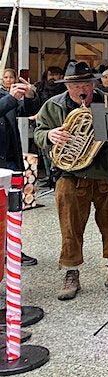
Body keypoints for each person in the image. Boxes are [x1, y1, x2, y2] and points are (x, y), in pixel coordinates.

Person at [34, 61, 108, 300]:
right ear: (67, 86)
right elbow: (39, 132)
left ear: (94, 84)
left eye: (87, 84)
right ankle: (71, 272)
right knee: (70, 226)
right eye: (76, 85)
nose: (82, 89)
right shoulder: (53, 105)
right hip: (70, 175)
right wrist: (50, 134)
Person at [0, 75, 40, 266]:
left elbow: (27, 110)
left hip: (10, 161)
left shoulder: (2, 94)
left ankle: (13, 249)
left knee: (13, 210)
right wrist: (11, 98)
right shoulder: (6, 97)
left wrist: (30, 95)